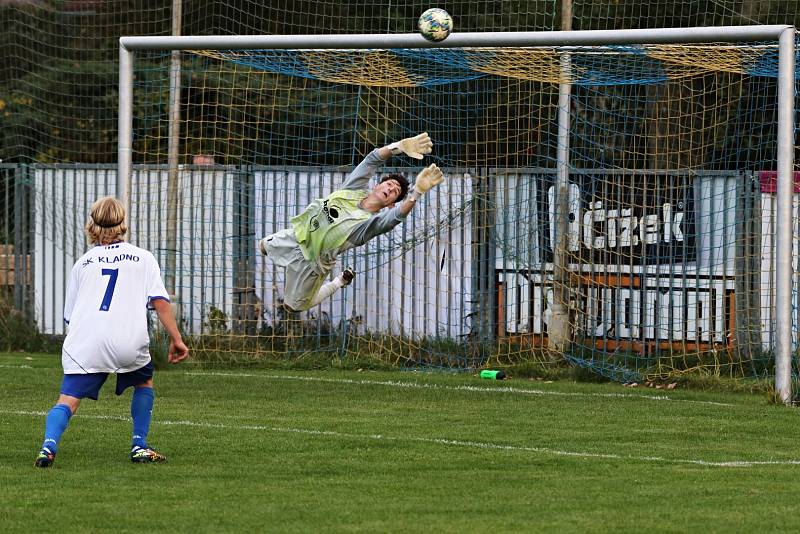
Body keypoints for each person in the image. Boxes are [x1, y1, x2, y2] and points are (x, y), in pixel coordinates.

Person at [34, 196, 189, 468]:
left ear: (91, 224)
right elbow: (160, 302)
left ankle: (47, 447)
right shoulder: (143, 257)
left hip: (86, 340)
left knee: (68, 399)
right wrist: (176, 339)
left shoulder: (82, 263)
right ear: (123, 224)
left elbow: (69, 316)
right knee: (143, 383)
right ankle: (139, 445)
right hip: (128, 339)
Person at [259, 132, 444, 312]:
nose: (391, 188)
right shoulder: (353, 188)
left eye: (395, 191)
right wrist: (399, 147)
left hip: (313, 263)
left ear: (390, 203)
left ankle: (339, 282)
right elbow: (372, 159)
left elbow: (394, 218)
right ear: (377, 185)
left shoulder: (367, 226)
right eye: (390, 184)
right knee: (262, 246)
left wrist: (417, 192)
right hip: (298, 238)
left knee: (293, 307)